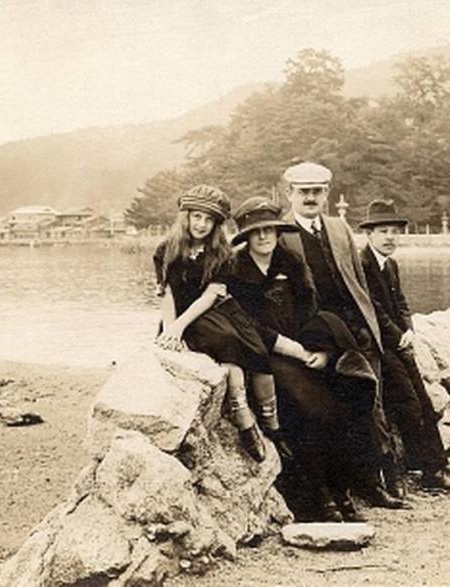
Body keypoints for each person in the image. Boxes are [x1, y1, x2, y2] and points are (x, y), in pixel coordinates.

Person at [225, 196, 380, 522]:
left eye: (269, 230)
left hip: (303, 349)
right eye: (256, 232)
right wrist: (289, 348)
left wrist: (321, 351)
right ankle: (318, 499)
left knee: (342, 402)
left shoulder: (291, 262)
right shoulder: (235, 269)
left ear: (278, 233)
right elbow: (245, 324)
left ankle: (342, 491)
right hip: (266, 355)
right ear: (247, 238)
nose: (264, 237)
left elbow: (310, 312)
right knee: (309, 409)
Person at [277, 161, 407, 509]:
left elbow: (359, 285)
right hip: (311, 337)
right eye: (303, 192)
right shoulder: (279, 232)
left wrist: (368, 329)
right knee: (326, 413)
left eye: (317, 191)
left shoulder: (338, 228)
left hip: (353, 333)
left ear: (327, 195)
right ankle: (335, 493)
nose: (310, 198)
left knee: (366, 409)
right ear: (289, 193)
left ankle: (369, 484)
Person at [152, 185, 284, 462]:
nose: (201, 224)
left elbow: (212, 295)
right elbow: (167, 292)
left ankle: (272, 424)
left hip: (215, 309)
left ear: (216, 224)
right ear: (185, 217)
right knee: (227, 348)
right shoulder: (166, 249)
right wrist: (172, 328)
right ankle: (244, 421)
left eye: (208, 219)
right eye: (196, 216)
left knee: (257, 351)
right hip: (183, 316)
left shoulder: (222, 254)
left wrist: (180, 325)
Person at [359, 199, 450, 492]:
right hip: (379, 345)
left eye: (394, 231)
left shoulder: (392, 265)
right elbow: (372, 309)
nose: (390, 237)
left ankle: (439, 463)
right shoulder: (362, 265)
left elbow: (400, 304)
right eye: (383, 231)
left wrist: (409, 330)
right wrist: (397, 335)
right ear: (369, 234)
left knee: (425, 402)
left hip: (400, 341)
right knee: (409, 404)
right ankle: (428, 471)